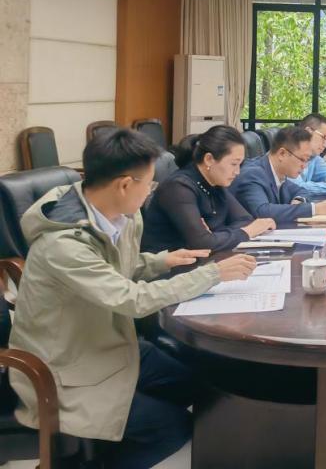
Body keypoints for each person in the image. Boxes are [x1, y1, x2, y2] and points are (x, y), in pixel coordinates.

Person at [8, 129, 257, 469]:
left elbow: (114, 268)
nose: (152, 190)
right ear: (125, 184)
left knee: (199, 386)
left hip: (108, 342)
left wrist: (162, 260)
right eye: (149, 183)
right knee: (172, 429)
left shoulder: (116, 214)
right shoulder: (62, 245)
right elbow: (131, 299)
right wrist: (212, 274)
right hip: (66, 365)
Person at [142, 126, 276, 254]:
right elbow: (202, 243)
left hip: (206, 260)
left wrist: (214, 235)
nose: (237, 172)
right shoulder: (178, 188)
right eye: (233, 164)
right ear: (209, 159)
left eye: (239, 165)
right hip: (170, 266)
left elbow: (245, 220)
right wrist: (246, 232)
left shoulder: (214, 182)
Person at [230, 126, 326, 224]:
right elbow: (262, 212)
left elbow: (301, 190)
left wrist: (298, 201)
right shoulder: (252, 174)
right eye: (302, 159)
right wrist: (315, 209)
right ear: (282, 154)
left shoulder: (280, 173)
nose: (304, 166)